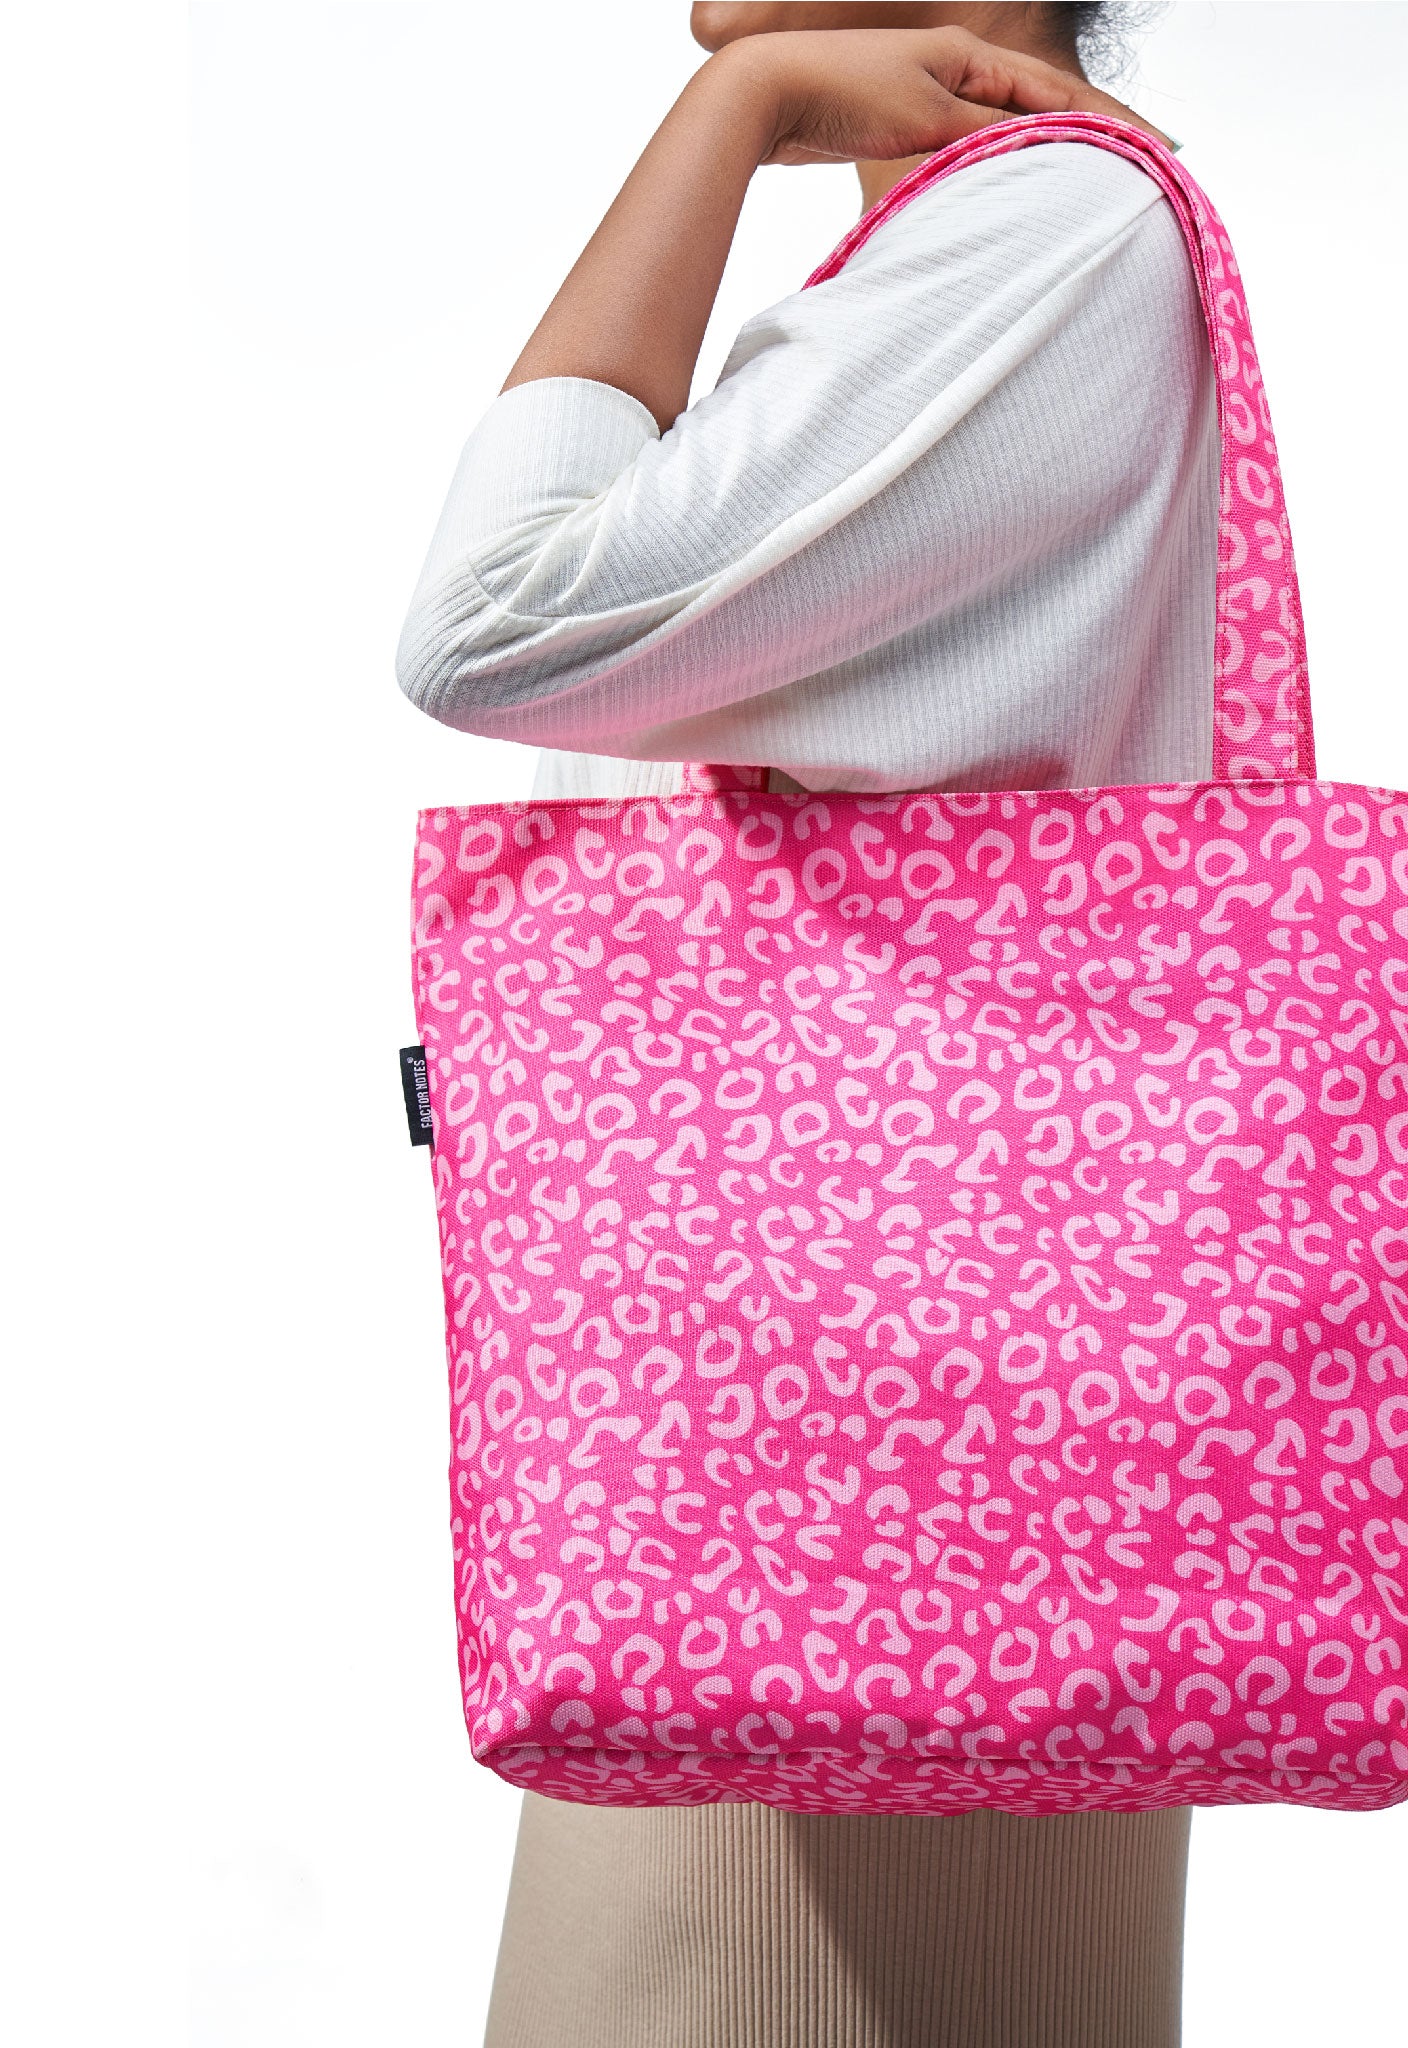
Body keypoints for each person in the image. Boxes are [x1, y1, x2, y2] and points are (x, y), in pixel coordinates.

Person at [397, 6, 1210, 2043]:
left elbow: (495, 623)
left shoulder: (1047, 239)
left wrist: (730, 111)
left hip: (839, 1550)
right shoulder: (985, 253)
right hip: (854, 1502)